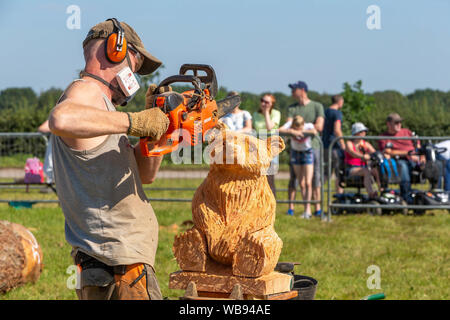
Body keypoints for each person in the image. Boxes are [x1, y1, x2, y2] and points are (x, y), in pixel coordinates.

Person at [48, 18, 170, 300]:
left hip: (119, 265)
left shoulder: (104, 111)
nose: (134, 78)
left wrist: (158, 132)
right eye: (135, 66)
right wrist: (134, 121)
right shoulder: (86, 91)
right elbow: (61, 118)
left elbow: (145, 175)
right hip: (116, 268)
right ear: (116, 50)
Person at [279, 81, 324, 217]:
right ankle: (292, 208)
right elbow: (288, 127)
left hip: (313, 147)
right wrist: (295, 132)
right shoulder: (292, 108)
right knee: (295, 179)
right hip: (296, 148)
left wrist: (299, 130)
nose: (292, 92)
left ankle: (317, 207)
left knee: (315, 178)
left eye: (294, 89)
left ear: (303, 90)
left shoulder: (317, 106)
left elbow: (319, 127)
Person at [378, 113, 425, 201]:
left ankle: (436, 194)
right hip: (399, 160)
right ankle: (407, 196)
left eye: (400, 122)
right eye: (396, 123)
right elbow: (388, 152)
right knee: (402, 166)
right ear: (388, 124)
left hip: (415, 158)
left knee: (435, 164)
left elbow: (418, 145)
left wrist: (421, 156)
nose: (399, 124)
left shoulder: (407, 132)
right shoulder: (383, 137)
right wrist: (408, 154)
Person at [280, 116, 317, 218]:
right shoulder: (290, 125)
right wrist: (292, 131)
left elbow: (314, 131)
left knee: (308, 182)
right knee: (301, 183)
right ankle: (305, 208)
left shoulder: (308, 125)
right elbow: (279, 130)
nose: (298, 130)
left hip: (307, 153)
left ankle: (308, 209)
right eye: (296, 128)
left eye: (299, 128)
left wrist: (304, 131)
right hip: (295, 153)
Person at [252, 94, 281, 197]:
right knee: (258, 177)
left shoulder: (276, 113)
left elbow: (269, 127)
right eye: (262, 101)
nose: (263, 104)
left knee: (270, 178)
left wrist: (266, 113)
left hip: (271, 148)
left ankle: (272, 203)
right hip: (259, 148)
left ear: (272, 104)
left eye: (267, 102)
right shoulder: (255, 114)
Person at [344, 123, 381, 198]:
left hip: (363, 167)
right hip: (352, 168)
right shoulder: (349, 143)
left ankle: (381, 190)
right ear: (357, 133)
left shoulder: (365, 144)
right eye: (362, 131)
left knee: (376, 170)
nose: (364, 133)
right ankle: (371, 193)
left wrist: (379, 155)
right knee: (366, 171)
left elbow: (374, 152)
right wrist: (363, 156)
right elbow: (352, 152)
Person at [322, 95, 346, 194]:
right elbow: (337, 129)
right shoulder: (337, 113)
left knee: (325, 173)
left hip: (324, 145)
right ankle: (339, 197)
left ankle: (317, 196)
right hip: (335, 147)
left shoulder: (325, 112)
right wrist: (343, 144)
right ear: (340, 101)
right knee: (339, 173)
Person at [37, 119, 53, 184]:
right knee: (50, 164)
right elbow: (41, 128)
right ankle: (50, 183)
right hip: (54, 147)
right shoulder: (56, 116)